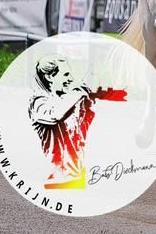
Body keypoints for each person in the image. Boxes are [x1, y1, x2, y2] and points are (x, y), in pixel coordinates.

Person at [29, 55, 127, 189]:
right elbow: (55, 114)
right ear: (49, 77)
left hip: (76, 179)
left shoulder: (66, 99)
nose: (71, 79)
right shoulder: (38, 102)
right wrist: (77, 93)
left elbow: (81, 130)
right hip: (57, 181)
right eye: (66, 75)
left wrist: (92, 98)